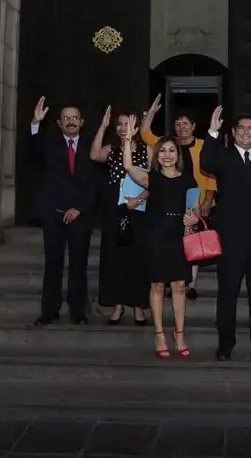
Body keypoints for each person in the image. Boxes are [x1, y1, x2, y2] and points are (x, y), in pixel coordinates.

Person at [199, 106, 251, 361]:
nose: (246, 133)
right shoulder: (222, 157)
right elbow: (205, 163)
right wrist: (212, 131)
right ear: (233, 132)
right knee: (228, 293)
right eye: (241, 129)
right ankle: (226, 343)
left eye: (250, 129)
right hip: (231, 239)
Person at [122, 114, 200, 358]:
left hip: (178, 237)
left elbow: (195, 210)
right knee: (157, 286)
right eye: (163, 150)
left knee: (179, 286)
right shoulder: (151, 178)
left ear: (178, 154)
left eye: (172, 150)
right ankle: (159, 335)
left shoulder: (188, 179)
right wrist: (127, 139)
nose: (167, 154)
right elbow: (128, 167)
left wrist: (194, 218)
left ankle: (179, 333)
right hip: (155, 237)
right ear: (158, 155)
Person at [140, 94, 217, 300]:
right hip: (169, 205)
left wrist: (207, 202)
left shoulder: (204, 146)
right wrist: (152, 113)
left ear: (193, 126)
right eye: (178, 124)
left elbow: (211, 177)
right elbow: (145, 133)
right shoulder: (168, 145)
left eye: (185, 124)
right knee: (173, 246)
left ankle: (190, 284)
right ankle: (170, 280)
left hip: (196, 205)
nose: (182, 128)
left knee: (193, 243)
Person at [29, 98, 98, 326]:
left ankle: (78, 312)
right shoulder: (48, 143)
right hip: (53, 213)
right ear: (59, 123)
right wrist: (35, 123)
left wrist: (79, 208)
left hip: (80, 214)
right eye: (66, 118)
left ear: (82, 122)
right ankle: (49, 311)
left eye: (74, 118)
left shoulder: (92, 145)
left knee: (79, 264)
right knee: (53, 264)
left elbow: (95, 183)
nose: (70, 122)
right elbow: (33, 152)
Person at [89, 105, 150, 325]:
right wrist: (103, 126)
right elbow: (94, 155)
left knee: (137, 258)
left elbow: (157, 182)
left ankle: (138, 307)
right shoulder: (112, 148)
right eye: (120, 124)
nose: (124, 127)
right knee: (113, 258)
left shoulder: (147, 150)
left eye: (128, 123)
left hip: (140, 209)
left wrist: (140, 199)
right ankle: (117, 305)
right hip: (115, 208)